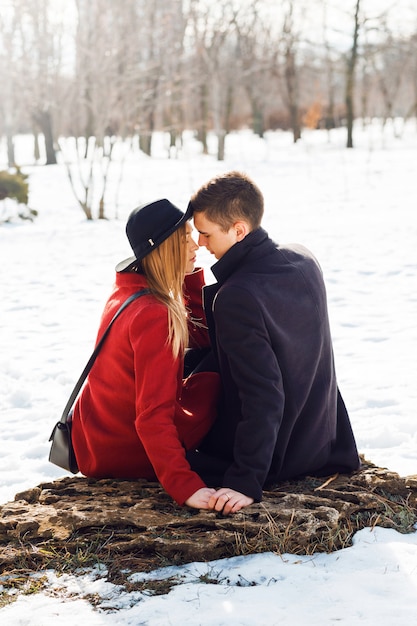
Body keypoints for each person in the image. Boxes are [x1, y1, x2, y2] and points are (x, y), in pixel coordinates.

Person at [187, 171, 360, 515]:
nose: (200, 243)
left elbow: (262, 393)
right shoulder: (304, 259)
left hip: (277, 457)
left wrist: (245, 479)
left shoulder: (237, 296)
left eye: (206, 234)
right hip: (322, 441)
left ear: (239, 230)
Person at [71, 199, 221, 510]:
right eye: (184, 238)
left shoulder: (126, 292)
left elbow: (201, 336)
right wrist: (185, 485)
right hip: (128, 450)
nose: (197, 245)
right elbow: (152, 418)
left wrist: (189, 276)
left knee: (205, 355)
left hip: (97, 439)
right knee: (223, 367)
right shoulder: (154, 315)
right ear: (163, 247)